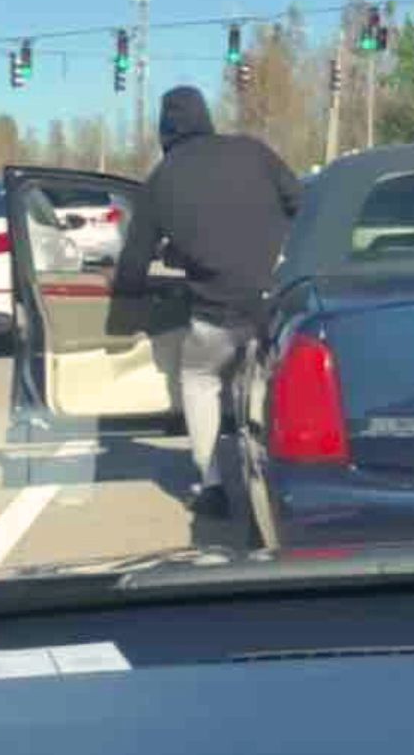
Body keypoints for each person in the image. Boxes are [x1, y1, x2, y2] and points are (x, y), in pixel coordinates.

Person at [111, 86, 301, 519]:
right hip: (271, 305)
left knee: (198, 378)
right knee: (276, 388)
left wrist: (122, 315)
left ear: (165, 129)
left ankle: (211, 481)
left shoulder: (162, 178)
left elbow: (135, 259)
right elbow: (300, 203)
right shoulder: (253, 152)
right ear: (206, 117)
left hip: (215, 316)